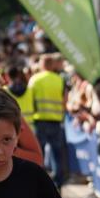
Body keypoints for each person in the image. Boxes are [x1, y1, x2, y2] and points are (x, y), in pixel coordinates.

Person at [28, 53, 67, 189]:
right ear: (52, 65)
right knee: (57, 154)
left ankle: (39, 182)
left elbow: (30, 99)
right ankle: (57, 184)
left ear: (41, 65)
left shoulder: (35, 79)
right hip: (55, 120)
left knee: (39, 153)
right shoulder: (59, 79)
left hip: (39, 120)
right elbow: (64, 99)